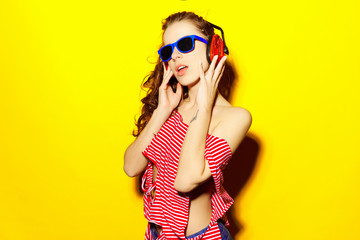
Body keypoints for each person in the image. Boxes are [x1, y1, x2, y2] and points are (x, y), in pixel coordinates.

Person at [124, 11, 252, 240]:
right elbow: (131, 166)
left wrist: (203, 108)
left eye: (185, 44)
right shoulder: (170, 106)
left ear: (214, 47)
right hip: (157, 234)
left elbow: (186, 180)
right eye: (168, 51)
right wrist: (162, 110)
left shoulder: (235, 117)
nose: (174, 56)